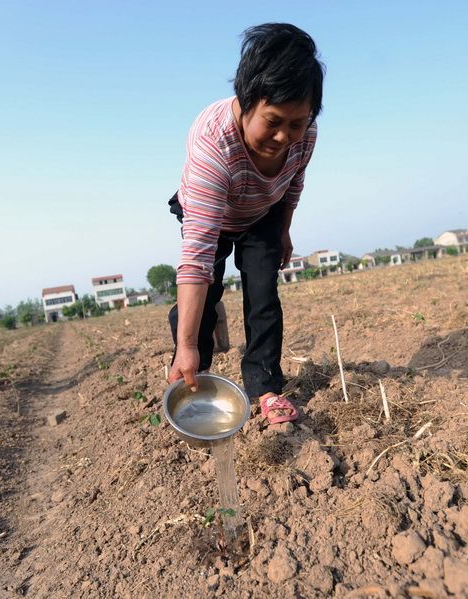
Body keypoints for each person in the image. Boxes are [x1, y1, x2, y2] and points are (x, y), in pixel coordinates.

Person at [168, 23, 324, 425]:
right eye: (272, 121)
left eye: (296, 123)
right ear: (247, 99)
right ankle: (194, 371)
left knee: (263, 293)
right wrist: (185, 345)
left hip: (262, 212)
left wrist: (284, 229)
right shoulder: (212, 145)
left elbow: (294, 181)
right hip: (212, 215)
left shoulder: (305, 133)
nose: (283, 136)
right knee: (206, 294)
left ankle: (266, 387)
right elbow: (197, 257)